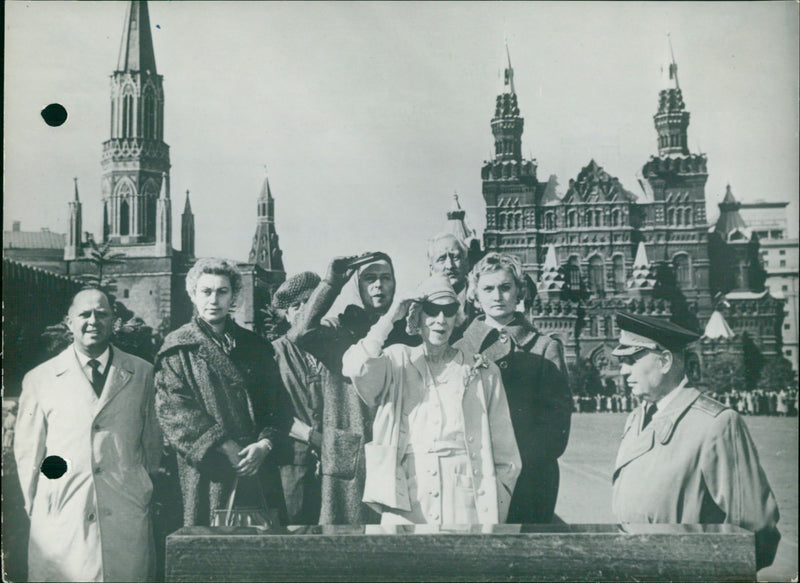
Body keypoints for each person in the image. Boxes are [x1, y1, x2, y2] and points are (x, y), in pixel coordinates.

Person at [342, 274, 521, 525]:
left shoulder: (483, 371)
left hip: (468, 502)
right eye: (432, 310)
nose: (440, 320)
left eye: (448, 311)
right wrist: (393, 314)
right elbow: (355, 367)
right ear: (417, 315)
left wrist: (495, 506)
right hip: (407, 502)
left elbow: (507, 455)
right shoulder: (397, 361)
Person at [611, 311, 781, 570]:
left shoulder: (716, 424)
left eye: (632, 359)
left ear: (665, 361)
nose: (623, 371)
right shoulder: (636, 418)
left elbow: (756, 531)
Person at [14, 288, 162, 582]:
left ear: (114, 320)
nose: (93, 321)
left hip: (125, 511)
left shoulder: (142, 374)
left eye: (102, 313)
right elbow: (29, 453)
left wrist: (141, 488)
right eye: (84, 314)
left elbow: (152, 446)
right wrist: (42, 503)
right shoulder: (40, 379)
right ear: (69, 322)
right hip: (63, 513)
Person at [154, 258, 292, 527]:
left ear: (234, 297)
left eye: (222, 291)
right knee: (211, 552)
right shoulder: (178, 349)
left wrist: (265, 445)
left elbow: (279, 407)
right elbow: (174, 411)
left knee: (263, 555)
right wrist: (225, 445)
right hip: (209, 470)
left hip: (257, 468)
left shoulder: (257, 348)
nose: (213, 300)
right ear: (193, 295)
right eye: (206, 291)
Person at [289, 253, 412, 524]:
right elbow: (298, 333)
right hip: (351, 458)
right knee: (344, 548)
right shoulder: (339, 330)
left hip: (397, 453)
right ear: (357, 285)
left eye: (386, 278)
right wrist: (332, 281)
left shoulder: (407, 331)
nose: (378, 285)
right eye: (370, 278)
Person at [456, 252, 571, 523]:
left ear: (518, 291)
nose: (497, 296)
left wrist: (515, 465)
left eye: (505, 287)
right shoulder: (459, 349)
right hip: (471, 477)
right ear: (475, 294)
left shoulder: (545, 348)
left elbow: (556, 428)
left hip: (530, 479)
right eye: (488, 288)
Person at [271, 271, 326, 524]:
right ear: (286, 314)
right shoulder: (274, 353)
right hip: (292, 463)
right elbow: (270, 409)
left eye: (311, 302)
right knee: (296, 532)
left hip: (337, 460)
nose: (304, 311)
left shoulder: (335, 345)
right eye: (296, 306)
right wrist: (312, 437)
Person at [427, 233, 473, 342]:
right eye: (442, 259)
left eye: (456, 257)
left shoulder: (480, 304)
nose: (450, 265)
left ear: (466, 263)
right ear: (431, 268)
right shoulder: (421, 306)